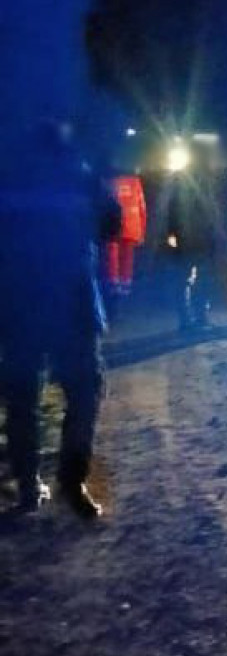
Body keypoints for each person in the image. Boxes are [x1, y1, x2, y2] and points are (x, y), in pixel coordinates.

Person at [0, 120, 119, 517]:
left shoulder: (8, 175)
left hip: (18, 305)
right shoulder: (81, 175)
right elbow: (112, 223)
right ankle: (72, 482)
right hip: (73, 303)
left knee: (22, 399)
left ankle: (28, 486)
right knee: (84, 393)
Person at [162, 144, 220, 329]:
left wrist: (172, 233)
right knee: (198, 278)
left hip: (189, 236)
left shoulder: (184, 178)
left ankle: (188, 319)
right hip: (195, 235)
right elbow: (209, 208)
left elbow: (172, 208)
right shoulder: (202, 179)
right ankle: (196, 317)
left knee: (186, 279)